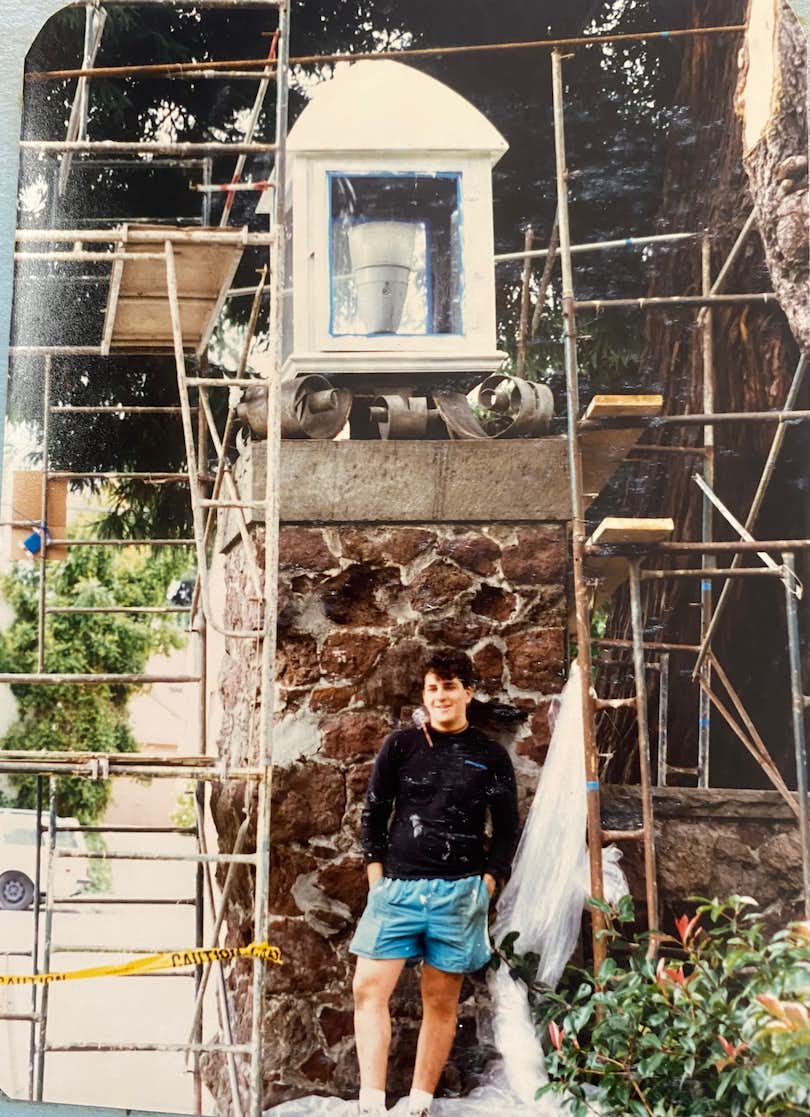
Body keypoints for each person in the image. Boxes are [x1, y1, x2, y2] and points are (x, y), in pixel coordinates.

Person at [349, 649, 519, 1117]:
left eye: (449, 686)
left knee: (440, 1001)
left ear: (468, 691)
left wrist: (487, 885)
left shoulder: (490, 756)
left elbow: (506, 830)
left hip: (459, 894)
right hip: (397, 889)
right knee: (368, 988)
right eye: (432, 687)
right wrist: (375, 878)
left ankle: (419, 1102)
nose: (440, 695)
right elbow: (373, 814)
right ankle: (370, 1103)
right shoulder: (400, 747)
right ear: (425, 695)